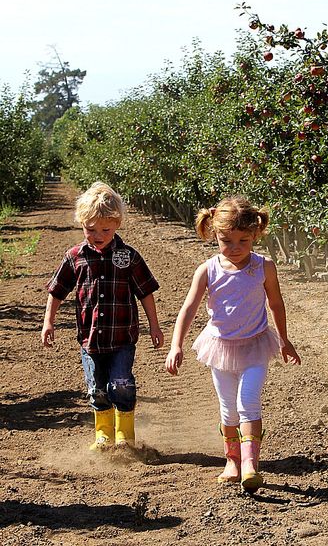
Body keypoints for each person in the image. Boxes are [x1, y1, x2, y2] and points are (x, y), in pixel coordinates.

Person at [165, 196, 301, 493]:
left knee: (248, 400)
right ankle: (233, 461)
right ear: (214, 235)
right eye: (227, 241)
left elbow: (276, 304)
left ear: (256, 235)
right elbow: (188, 308)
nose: (236, 248)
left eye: (244, 240)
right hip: (221, 347)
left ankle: (251, 464)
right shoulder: (208, 270)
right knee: (228, 410)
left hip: (255, 345)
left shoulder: (264, 266)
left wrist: (285, 340)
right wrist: (176, 345)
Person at [41, 182, 164, 451]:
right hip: (90, 338)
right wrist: (48, 321)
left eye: (105, 230)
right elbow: (58, 290)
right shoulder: (75, 257)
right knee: (96, 388)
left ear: (117, 224)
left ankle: (124, 435)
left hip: (122, 337)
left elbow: (145, 292)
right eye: (90, 229)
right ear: (81, 224)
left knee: (121, 383)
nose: (97, 235)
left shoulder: (128, 256)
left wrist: (154, 326)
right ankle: (103, 434)